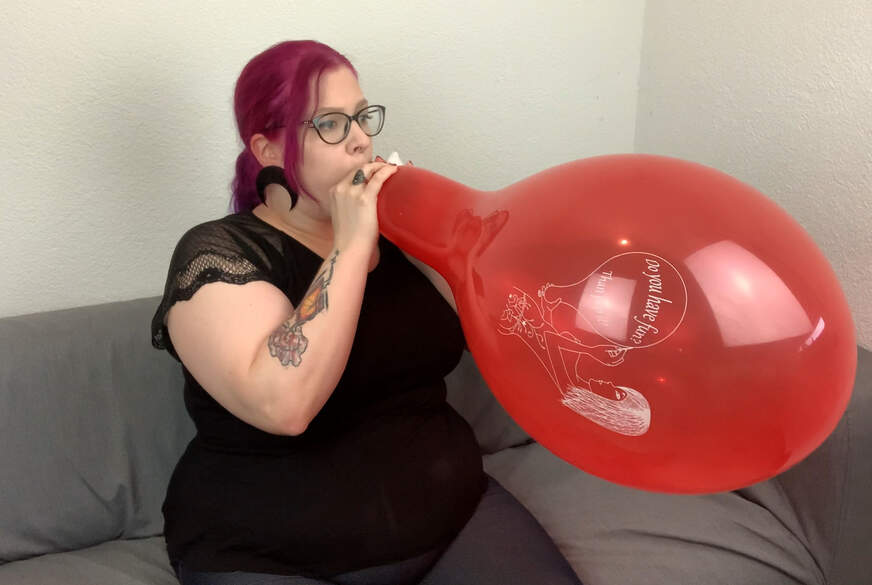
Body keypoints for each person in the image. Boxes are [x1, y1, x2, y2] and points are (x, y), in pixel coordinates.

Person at [151, 40, 583, 585]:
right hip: (268, 551)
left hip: (450, 513)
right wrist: (351, 245)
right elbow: (285, 406)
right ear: (266, 149)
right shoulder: (219, 254)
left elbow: (506, 336)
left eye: (361, 117)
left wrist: (438, 229)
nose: (360, 140)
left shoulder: (398, 237)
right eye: (330, 124)